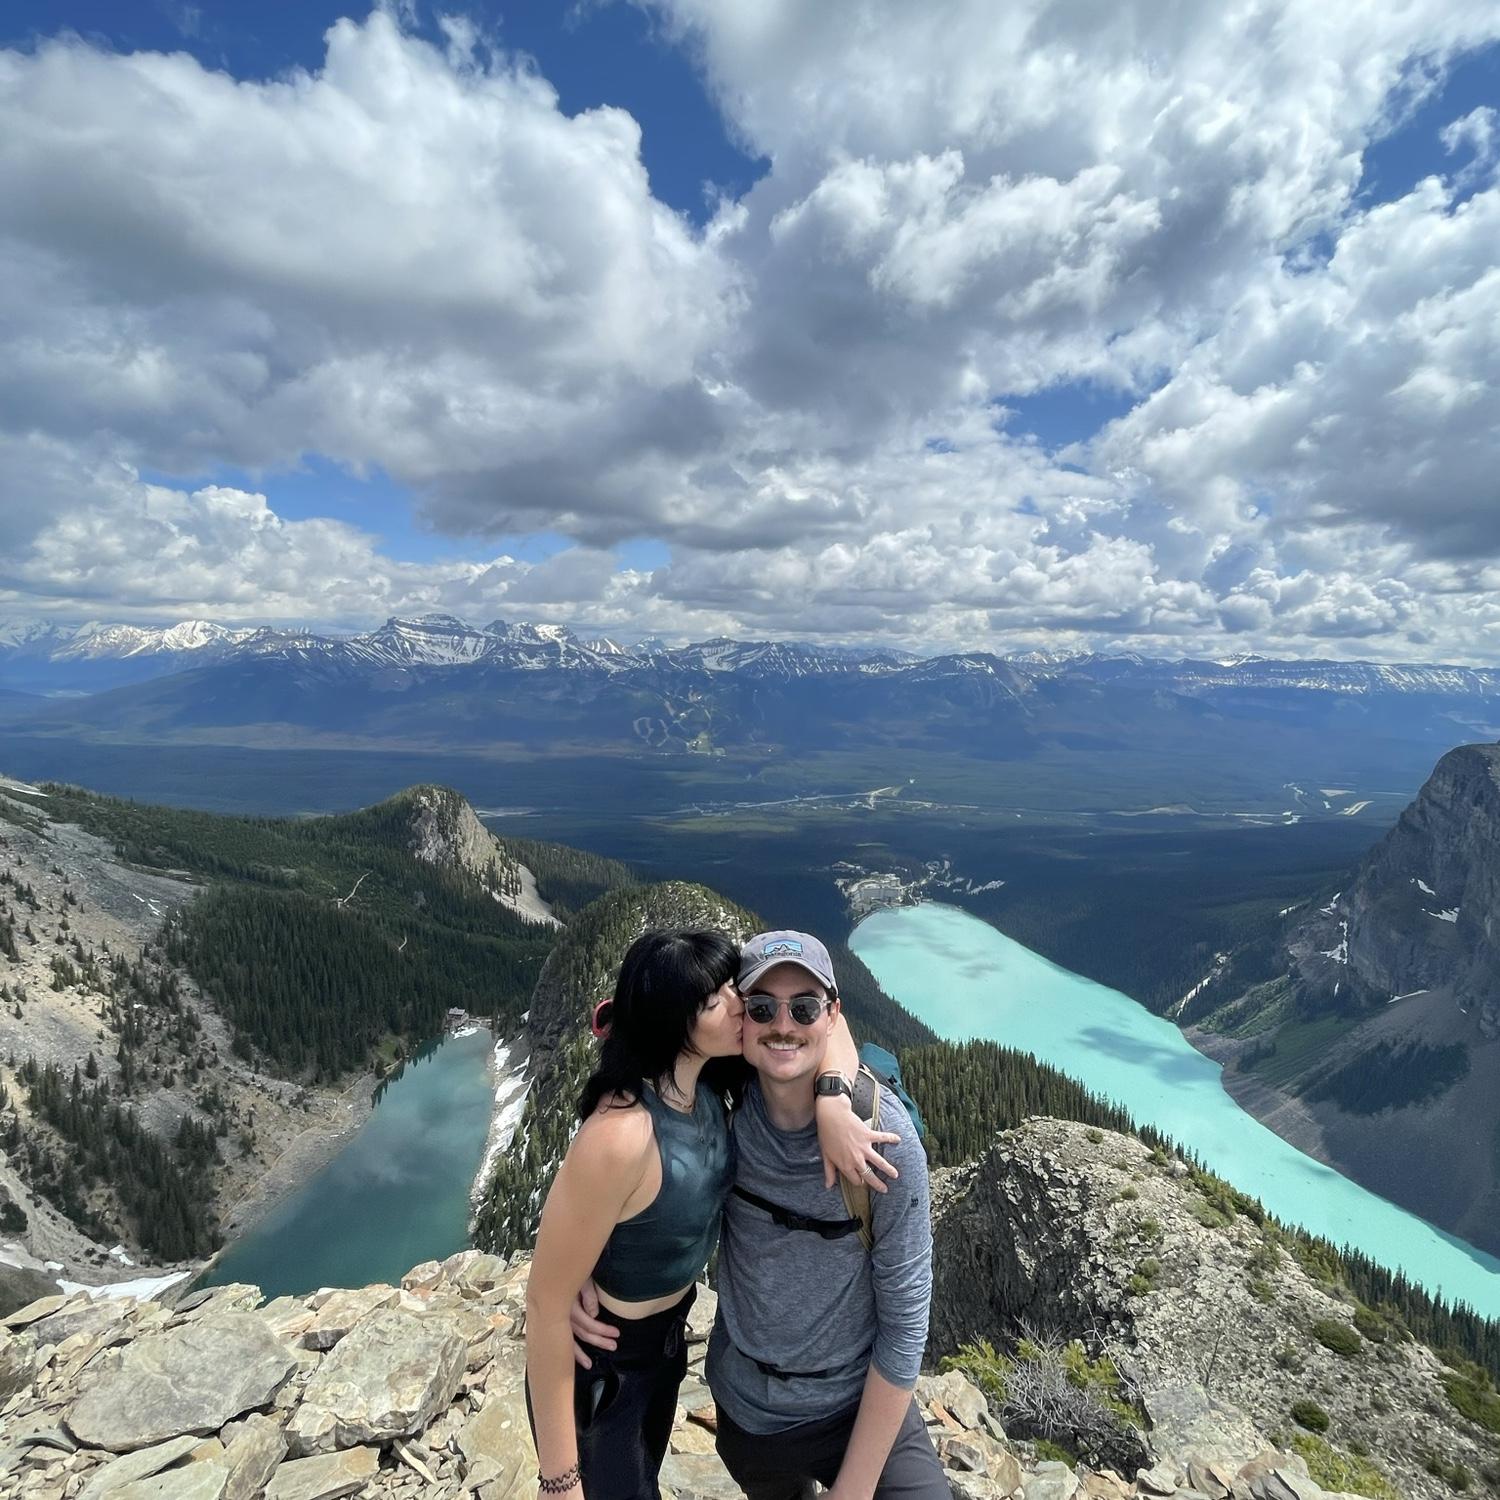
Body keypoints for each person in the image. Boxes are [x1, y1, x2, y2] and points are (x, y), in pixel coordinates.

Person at [575, 929, 946, 1500]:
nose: (783, 1024)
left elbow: (905, 1327)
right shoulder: (724, 1101)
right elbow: (620, 1161)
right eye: (762, 1007)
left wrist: (853, 1490)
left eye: (803, 1008)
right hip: (747, 1415)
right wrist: (583, 1272)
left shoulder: (883, 1142)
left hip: (855, 1408)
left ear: (830, 1013)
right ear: (739, 1022)